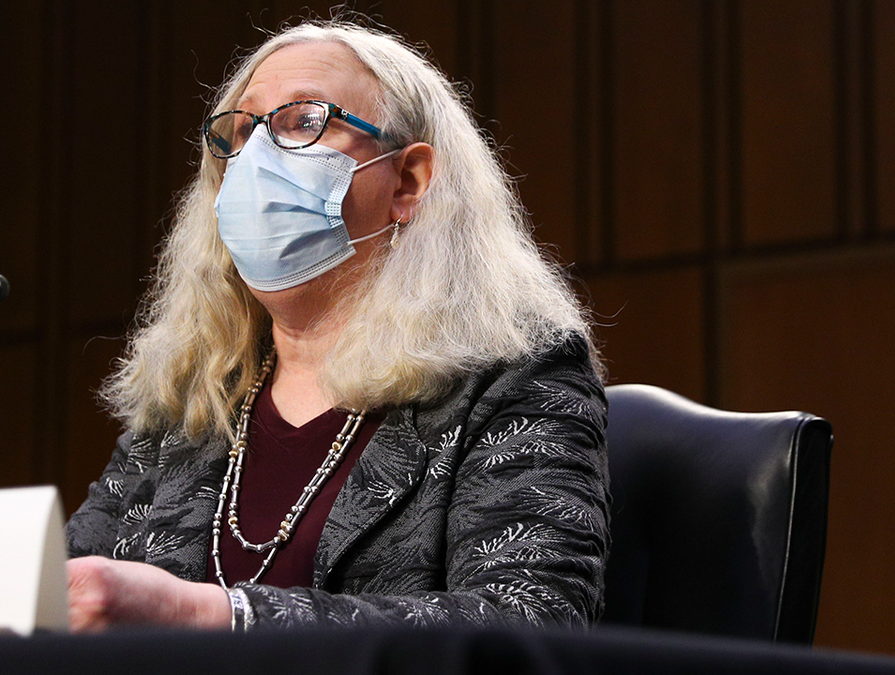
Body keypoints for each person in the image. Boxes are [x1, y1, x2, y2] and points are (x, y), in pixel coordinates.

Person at [65, 19, 610, 633]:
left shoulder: (516, 375)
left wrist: (212, 615)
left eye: (303, 122)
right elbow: (71, 589)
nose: (256, 159)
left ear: (407, 182)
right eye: (242, 132)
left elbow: (529, 622)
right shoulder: (194, 397)